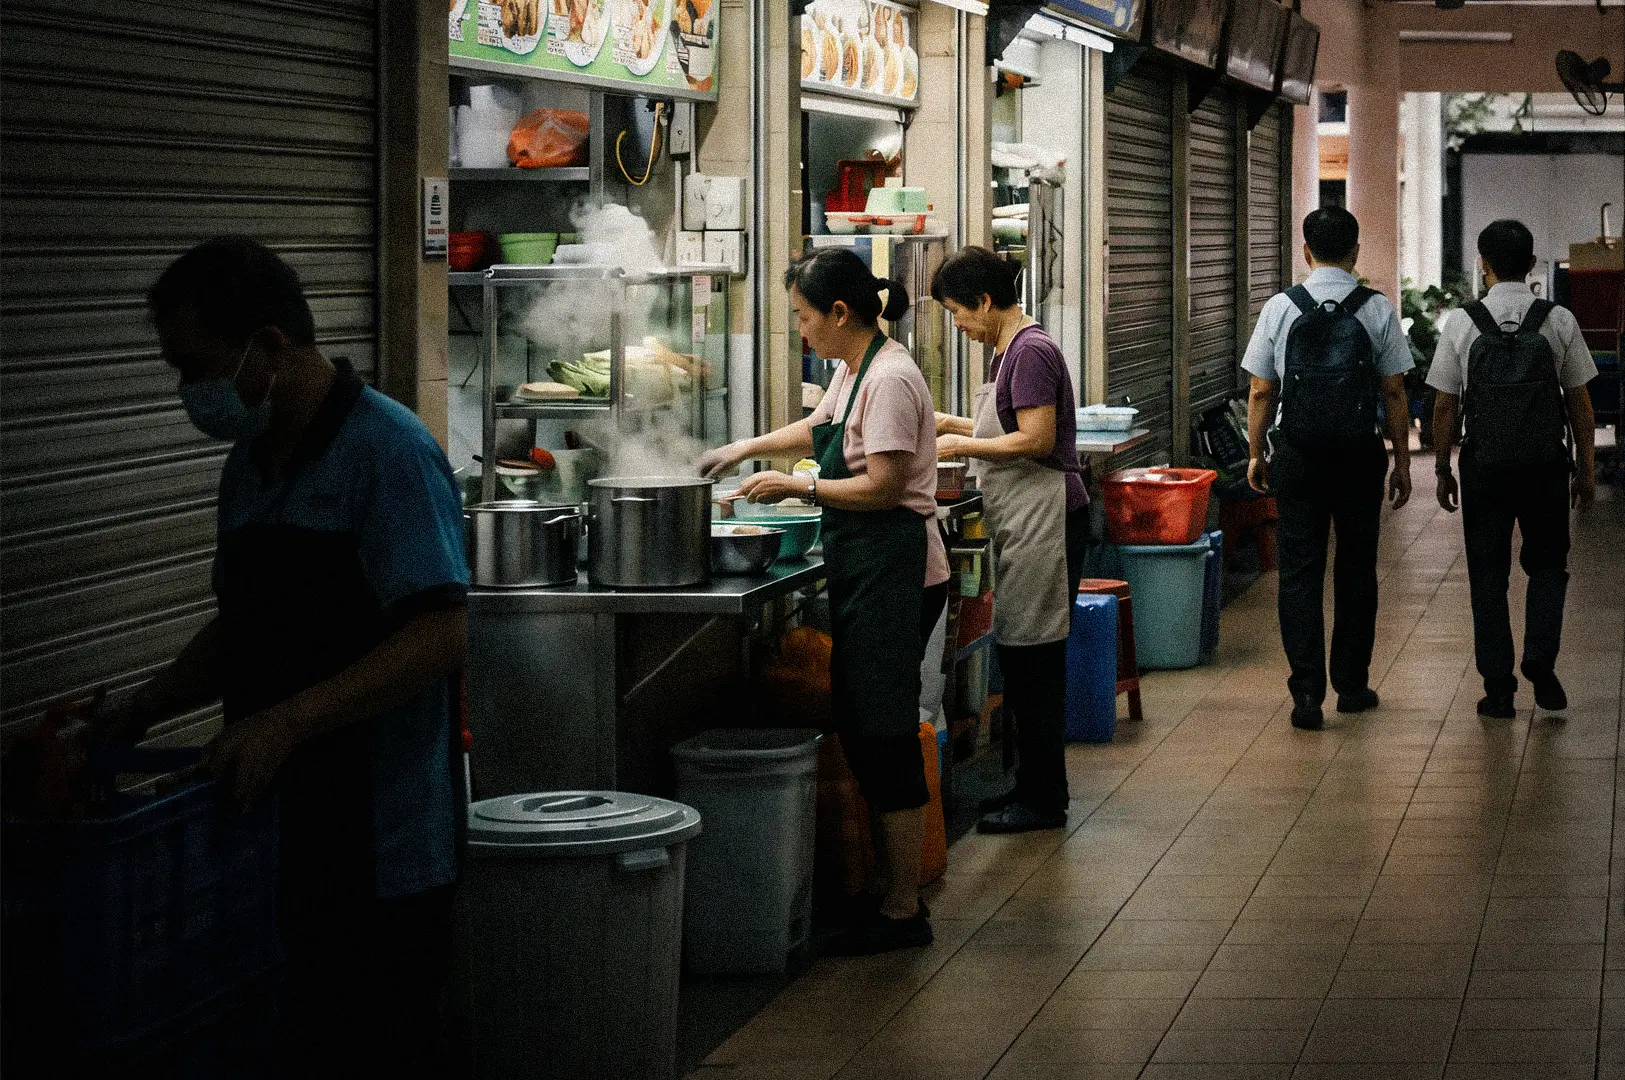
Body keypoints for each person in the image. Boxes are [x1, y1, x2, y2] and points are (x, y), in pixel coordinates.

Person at [107, 238, 470, 1077]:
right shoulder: (249, 464)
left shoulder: (388, 453)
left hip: (382, 847)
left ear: (269, 346)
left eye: (195, 367)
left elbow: (438, 633)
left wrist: (288, 722)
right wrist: (136, 711)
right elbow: (242, 627)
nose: (188, 393)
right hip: (276, 837)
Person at [699, 248, 948, 955]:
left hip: (897, 570)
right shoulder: (854, 369)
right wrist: (742, 449)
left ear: (840, 312)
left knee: (884, 733)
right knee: (867, 728)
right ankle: (887, 894)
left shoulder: (892, 378)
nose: (800, 330)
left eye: (803, 317)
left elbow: (883, 488)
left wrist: (797, 488)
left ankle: (902, 910)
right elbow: (819, 432)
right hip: (867, 570)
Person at [930, 247, 1088, 834]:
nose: (958, 325)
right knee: (1022, 660)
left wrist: (963, 447)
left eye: (957, 313)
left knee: (1036, 664)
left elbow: (1036, 438)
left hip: (1048, 520)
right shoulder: (1007, 352)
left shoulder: (1031, 351)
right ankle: (1031, 786)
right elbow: (1008, 422)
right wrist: (953, 425)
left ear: (986, 301)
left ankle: (1045, 801)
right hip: (1026, 522)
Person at [1242, 206, 1414, 730]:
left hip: (1298, 454)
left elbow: (1260, 389)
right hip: (1359, 455)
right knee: (1357, 569)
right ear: (1356, 252)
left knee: (1299, 572)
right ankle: (1353, 685)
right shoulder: (1376, 308)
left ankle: (1306, 696)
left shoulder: (1281, 307)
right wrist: (1401, 461)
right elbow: (1394, 389)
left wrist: (1255, 453)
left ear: (1305, 251)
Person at [1427, 219, 1597, 719]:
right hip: (1544, 466)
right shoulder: (1557, 319)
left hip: (1485, 468)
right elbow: (1581, 405)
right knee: (1547, 567)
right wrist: (1585, 472)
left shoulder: (1462, 322)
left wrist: (1442, 467)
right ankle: (1540, 659)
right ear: (1530, 264)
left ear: (1484, 265)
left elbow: (1444, 406)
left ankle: (1498, 688)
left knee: (1488, 575)